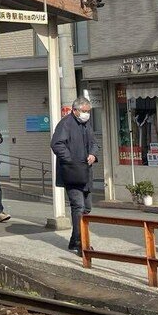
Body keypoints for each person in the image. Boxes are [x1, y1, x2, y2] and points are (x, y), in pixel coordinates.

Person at [51, 96, 100, 255]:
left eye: (88, 111)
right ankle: (81, 243)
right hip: (72, 172)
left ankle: (74, 240)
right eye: (84, 111)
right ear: (75, 110)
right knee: (78, 207)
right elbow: (56, 144)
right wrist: (70, 160)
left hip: (85, 171)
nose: (87, 114)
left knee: (86, 207)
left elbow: (94, 143)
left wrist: (93, 154)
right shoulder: (66, 124)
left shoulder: (86, 125)